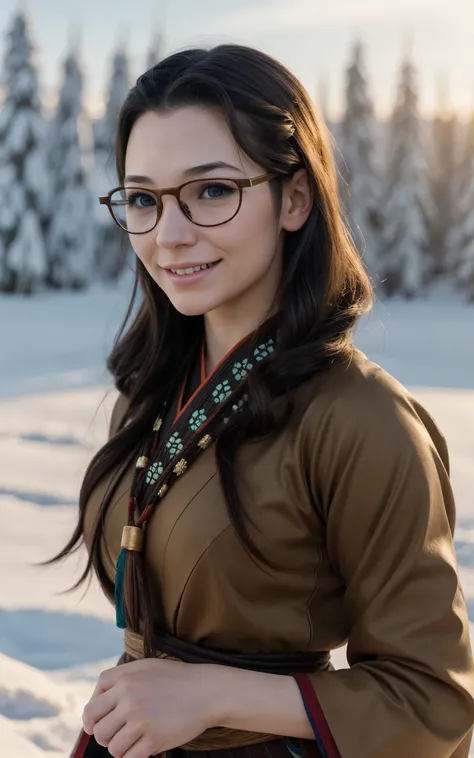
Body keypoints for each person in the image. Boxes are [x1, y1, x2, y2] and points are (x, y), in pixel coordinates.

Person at [52, 44, 474, 758]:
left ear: (296, 198)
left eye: (211, 191)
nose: (169, 234)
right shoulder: (155, 392)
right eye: (145, 199)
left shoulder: (362, 419)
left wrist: (215, 694)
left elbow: (433, 700)